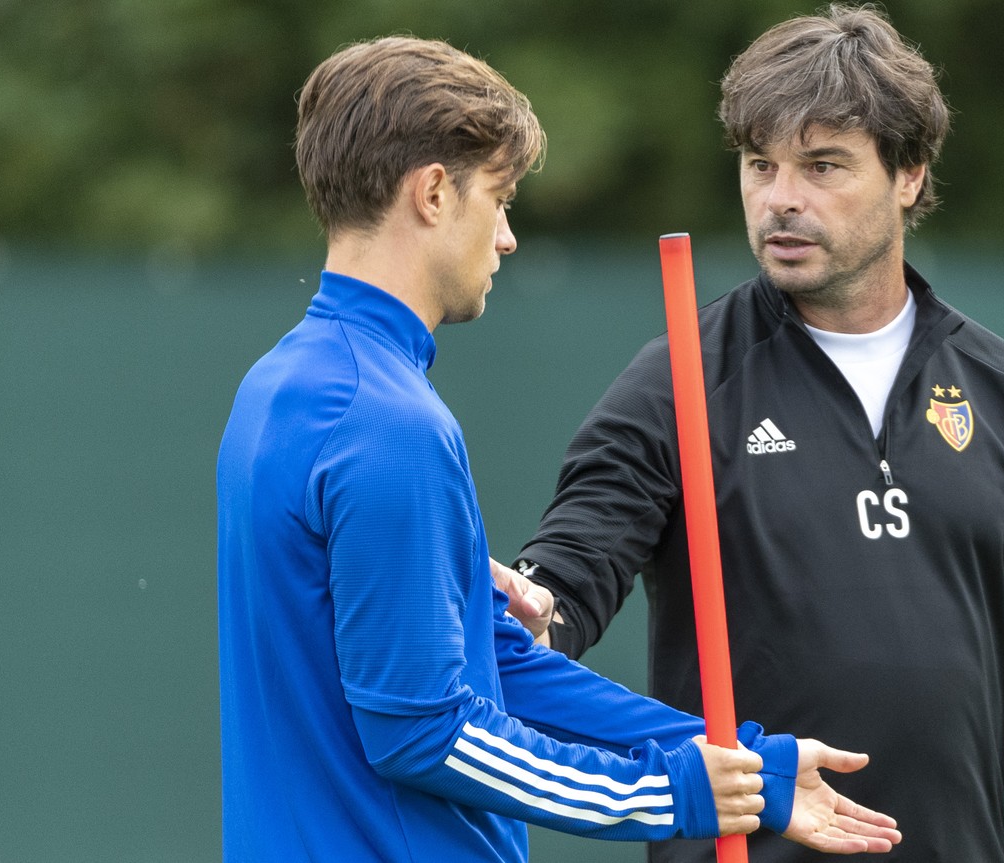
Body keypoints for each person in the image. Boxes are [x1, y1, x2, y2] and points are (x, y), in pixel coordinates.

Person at [215, 35, 903, 862]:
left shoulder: (282, 384)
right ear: (434, 193)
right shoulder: (388, 423)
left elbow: (499, 668)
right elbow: (424, 731)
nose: (506, 237)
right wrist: (673, 792)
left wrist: (749, 761)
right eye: (499, 198)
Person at [505, 6, 1004, 862]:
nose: (782, 198)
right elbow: (569, 576)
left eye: (823, 165)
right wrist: (531, 610)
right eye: (762, 165)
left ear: (909, 175)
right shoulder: (678, 377)